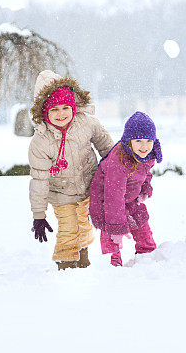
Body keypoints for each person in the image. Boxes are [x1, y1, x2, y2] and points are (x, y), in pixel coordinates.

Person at [28, 70, 113, 270]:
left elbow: (107, 148)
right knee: (68, 229)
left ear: (73, 106)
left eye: (66, 107)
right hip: (61, 193)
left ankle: (82, 260)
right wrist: (39, 214)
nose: (61, 114)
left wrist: (114, 174)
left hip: (89, 187)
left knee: (83, 226)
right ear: (44, 112)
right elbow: (38, 179)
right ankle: (65, 265)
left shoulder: (87, 124)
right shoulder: (40, 142)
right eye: (54, 109)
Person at [90, 111, 162, 267]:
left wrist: (144, 188)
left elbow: (145, 173)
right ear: (129, 141)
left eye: (148, 141)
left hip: (129, 199)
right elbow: (113, 197)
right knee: (111, 238)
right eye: (138, 141)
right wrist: (116, 229)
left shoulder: (146, 155)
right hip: (106, 204)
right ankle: (112, 267)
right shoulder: (119, 161)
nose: (144, 146)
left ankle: (147, 256)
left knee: (142, 225)